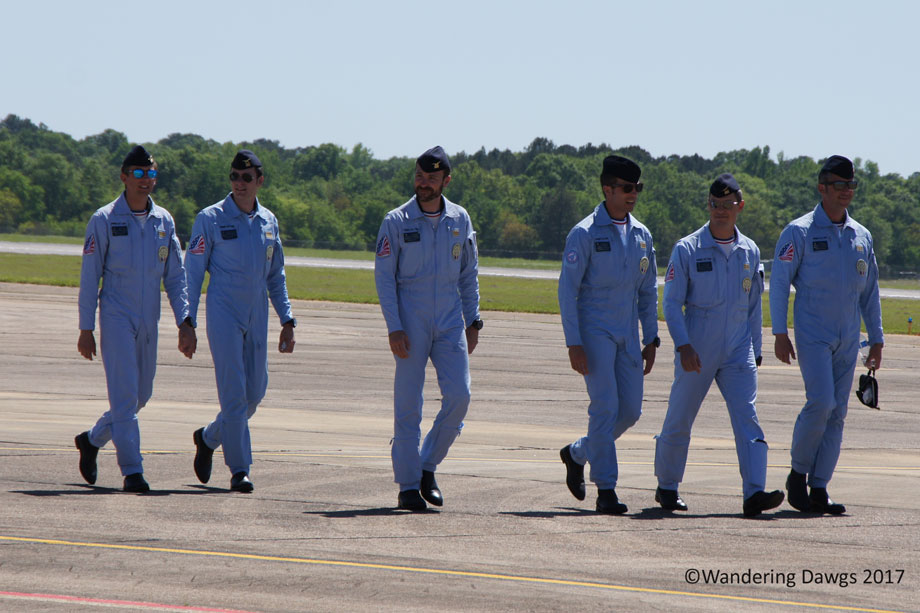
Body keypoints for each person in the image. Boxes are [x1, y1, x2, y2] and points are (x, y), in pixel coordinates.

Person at [653, 173, 784, 517]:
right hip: (698, 345)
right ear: (708, 205)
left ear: (740, 206)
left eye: (728, 204)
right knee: (680, 416)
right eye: (715, 204)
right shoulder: (687, 249)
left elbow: (753, 306)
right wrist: (683, 345)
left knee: (748, 418)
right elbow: (671, 304)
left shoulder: (749, 251)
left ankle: (754, 492)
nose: (721, 210)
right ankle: (667, 485)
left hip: (739, 348)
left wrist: (757, 349)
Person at [74, 145, 196, 493]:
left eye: (151, 174)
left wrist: (185, 322)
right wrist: (86, 328)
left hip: (148, 317)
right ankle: (132, 470)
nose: (145, 180)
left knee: (141, 395)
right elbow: (90, 277)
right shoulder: (104, 219)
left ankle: (92, 440)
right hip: (116, 315)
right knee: (125, 395)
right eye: (138, 174)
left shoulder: (164, 221)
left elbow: (176, 277)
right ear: (124, 177)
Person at [770, 155, 883, 515]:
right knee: (821, 402)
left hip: (848, 336)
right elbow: (779, 283)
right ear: (822, 188)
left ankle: (819, 486)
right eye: (839, 185)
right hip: (813, 333)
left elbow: (870, 292)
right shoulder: (799, 232)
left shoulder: (861, 236)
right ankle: (798, 473)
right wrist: (779, 332)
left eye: (851, 185)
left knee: (838, 413)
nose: (846, 191)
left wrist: (877, 338)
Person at [374, 146, 481, 512]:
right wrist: (394, 327)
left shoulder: (459, 219)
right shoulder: (396, 221)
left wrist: (473, 320)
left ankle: (426, 465)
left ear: (446, 181)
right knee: (408, 404)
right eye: (419, 176)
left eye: (432, 178)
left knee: (460, 396)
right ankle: (407, 485)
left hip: (450, 319)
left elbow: (468, 273)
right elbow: (384, 278)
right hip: (410, 318)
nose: (424, 183)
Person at [186, 150, 296, 493]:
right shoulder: (211, 218)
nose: (240, 183)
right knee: (233, 394)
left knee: (254, 393)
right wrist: (187, 321)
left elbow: (276, 274)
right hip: (224, 311)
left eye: (247, 178)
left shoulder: (269, 221)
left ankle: (208, 437)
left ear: (260, 181)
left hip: (257, 312)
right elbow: (193, 273)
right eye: (234, 176)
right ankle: (240, 470)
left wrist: (287, 318)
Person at [557, 155, 658, 515]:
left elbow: (648, 291)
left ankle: (577, 453)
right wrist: (574, 343)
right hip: (594, 331)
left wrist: (651, 338)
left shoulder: (642, 235)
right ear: (607, 189)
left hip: (627, 333)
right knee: (605, 407)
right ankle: (606, 489)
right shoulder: (584, 233)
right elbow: (567, 291)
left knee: (629, 411)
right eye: (627, 188)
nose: (633, 194)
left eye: (637, 188)